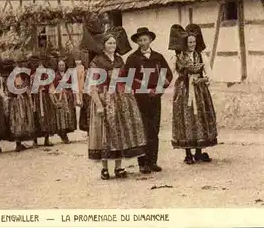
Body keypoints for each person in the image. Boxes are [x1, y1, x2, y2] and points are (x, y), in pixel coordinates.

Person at [88, 34, 147, 180]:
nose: (112, 45)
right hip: (104, 98)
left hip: (119, 98)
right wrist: (99, 104)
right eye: (109, 43)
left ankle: (119, 167)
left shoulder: (120, 60)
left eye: (114, 42)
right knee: (105, 134)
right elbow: (92, 86)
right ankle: (104, 168)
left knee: (119, 132)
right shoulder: (96, 62)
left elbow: (125, 79)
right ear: (103, 45)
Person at [125, 27, 173, 174]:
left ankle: (153, 161)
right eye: (140, 40)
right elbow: (128, 78)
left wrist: (157, 90)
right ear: (137, 42)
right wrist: (144, 89)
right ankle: (142, 163)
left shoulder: (158, 57)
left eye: (145, 39)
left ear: (150, 40)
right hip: (140, 98)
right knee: (142, 129)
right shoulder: (133, 58)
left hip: (155, 98)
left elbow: (167, 75)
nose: (143, 42)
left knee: (154, 129)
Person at [171, 24, 217, 164]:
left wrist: (202, 79)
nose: (192, 44)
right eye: (189, 42)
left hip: (199, 91)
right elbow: (169, 74)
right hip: (184, 90)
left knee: (200, 118)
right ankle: (188, 153)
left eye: (193, 42)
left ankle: (198, 151)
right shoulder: (177, 57)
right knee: (186, 118)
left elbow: (211, 75)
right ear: (184, 43)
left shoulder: (201, 56)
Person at [4, 59, 36, 152]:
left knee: (22, 120)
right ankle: (18, 143)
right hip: (16, 102)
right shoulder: (12, 79)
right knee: (17, 120)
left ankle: (20, 142)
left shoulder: (22, 78)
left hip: (22, 101)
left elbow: (26, 89)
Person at [31, 56, 58, 147]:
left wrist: (54, 99)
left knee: (47, 118)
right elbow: (31, 89)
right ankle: (35, 141)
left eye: (42, 68)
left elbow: (51, 88)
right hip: (36, 99)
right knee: (36, 118)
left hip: (46, 99)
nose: (41, 70)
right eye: (39, 68)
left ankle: (46, 139)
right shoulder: (33, 77)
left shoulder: (47, 77)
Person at [51, 58, 77, 144]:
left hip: (68, 96)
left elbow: (73, 86)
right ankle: (63, 135)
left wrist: (75, 98)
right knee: (61, 116)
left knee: (69, 115)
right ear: (57, 66)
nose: (61, 67)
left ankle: (65, 133)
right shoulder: (55, 75)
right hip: (60, 97)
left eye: (63, 65)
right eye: (60, 65)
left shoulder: (68, 75)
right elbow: (53, 88)